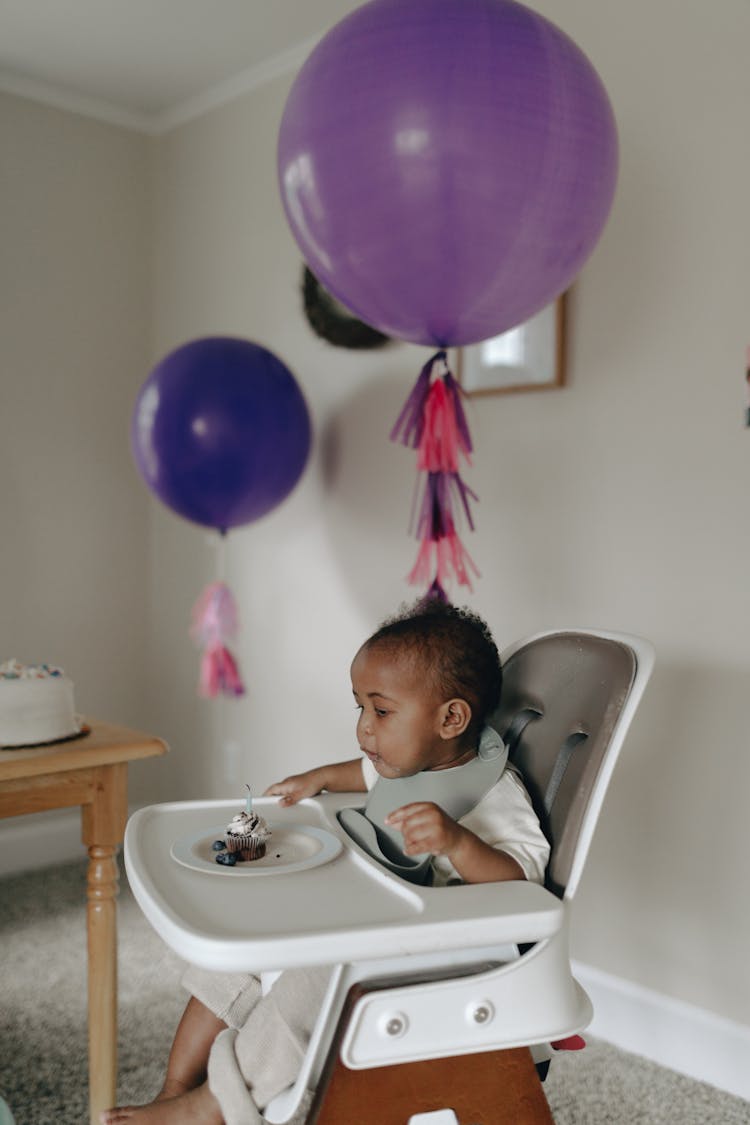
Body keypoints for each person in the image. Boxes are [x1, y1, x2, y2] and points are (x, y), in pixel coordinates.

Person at [101, 599, 550, 1125]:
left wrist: (459, 845)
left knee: (312, 981)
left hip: (434, 950)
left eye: (381, 712)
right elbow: (365, 774)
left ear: (451, 718)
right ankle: (176, 1085)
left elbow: (525, 882)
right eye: (360, 708)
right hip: (371, 913)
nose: (364, 729)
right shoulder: (412, 759)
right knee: (245, 934)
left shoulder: (495, 795)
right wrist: (317, 778)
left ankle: (213, 1105)